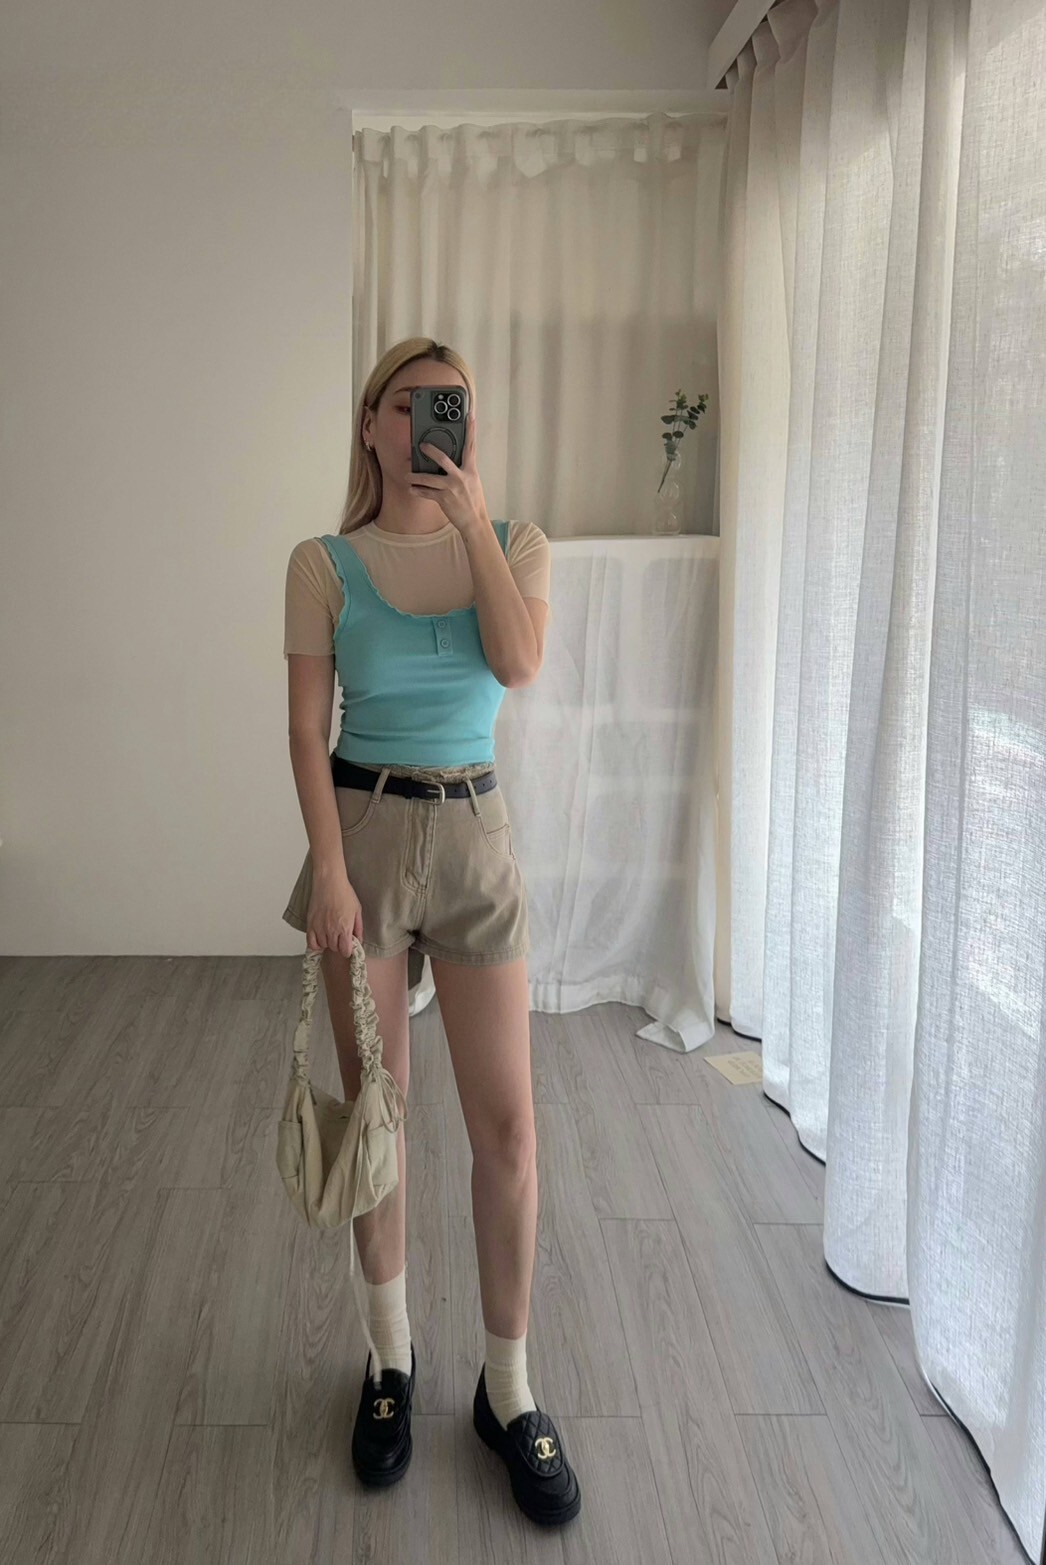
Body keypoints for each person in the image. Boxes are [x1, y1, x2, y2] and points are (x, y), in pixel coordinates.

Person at [281, 337, 580, 1525]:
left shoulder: (515, 543)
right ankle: (389, 1358)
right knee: (379, 1116)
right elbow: (305, 729)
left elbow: (517, 661)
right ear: (370, 423)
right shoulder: (321, 562)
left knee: (506, 1127)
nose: (428, 423)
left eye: (450, 405)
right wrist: (329, 869)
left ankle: (507, 1390)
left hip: (472, 831)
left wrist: (471, 527)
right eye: (408, 404)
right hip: (361, 830)